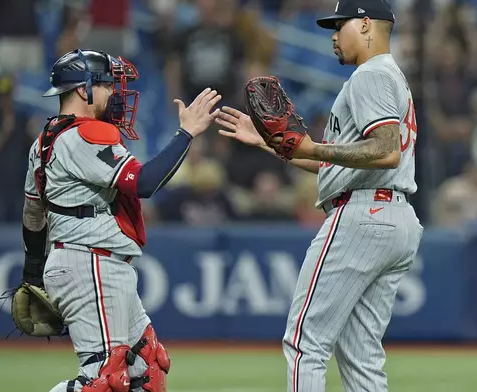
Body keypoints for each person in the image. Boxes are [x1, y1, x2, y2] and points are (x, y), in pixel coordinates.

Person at [215, 1, 423, 391]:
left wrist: (310, 147)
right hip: (392, 216)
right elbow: (345, 161)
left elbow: (385, 150)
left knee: (304, 343)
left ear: (365, 25)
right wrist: (270, 142)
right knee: (361, 358)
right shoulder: (391, 76)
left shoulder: (370, 76)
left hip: (363, 215)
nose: (332, 35)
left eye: (339, 25)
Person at [21, 49, 221, 392]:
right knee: (106, 379)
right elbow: (143, 184)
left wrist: (34, 270)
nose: (115, 92)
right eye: (107, 84)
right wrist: (185, 134)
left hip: (89, 260)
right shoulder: (86, 134)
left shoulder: (43, 142)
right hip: (90, 261)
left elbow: (33, 215)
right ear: (84, 90)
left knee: (146, 371)